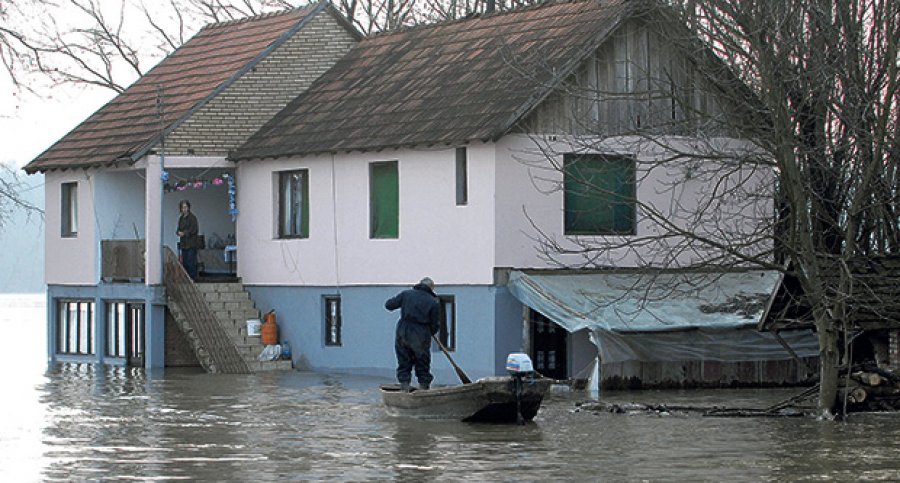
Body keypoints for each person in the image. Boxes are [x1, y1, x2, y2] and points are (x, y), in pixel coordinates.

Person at [385, 277, 440, 392]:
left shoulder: (406, 294)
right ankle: (424, 388)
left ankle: (404, 387)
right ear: (431, 289)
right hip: (421, 332)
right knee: (422, 361)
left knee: (404, 359)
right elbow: (435, 325)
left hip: (403, 330)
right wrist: (429, 332)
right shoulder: (433, 302)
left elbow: (389, 305)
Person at [176, 200, 200, 280]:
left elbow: (194, 229)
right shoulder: (181, 218)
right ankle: (186, 279)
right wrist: (178, 233)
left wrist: (185, 233)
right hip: (183, 244)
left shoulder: (192, 218)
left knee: (191, 262)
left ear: (188, 208)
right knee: (185, 262)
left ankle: (192, 278)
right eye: (182, 207)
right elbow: (178, 229)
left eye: (185, 207)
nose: (184, 209)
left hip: (191, 244)